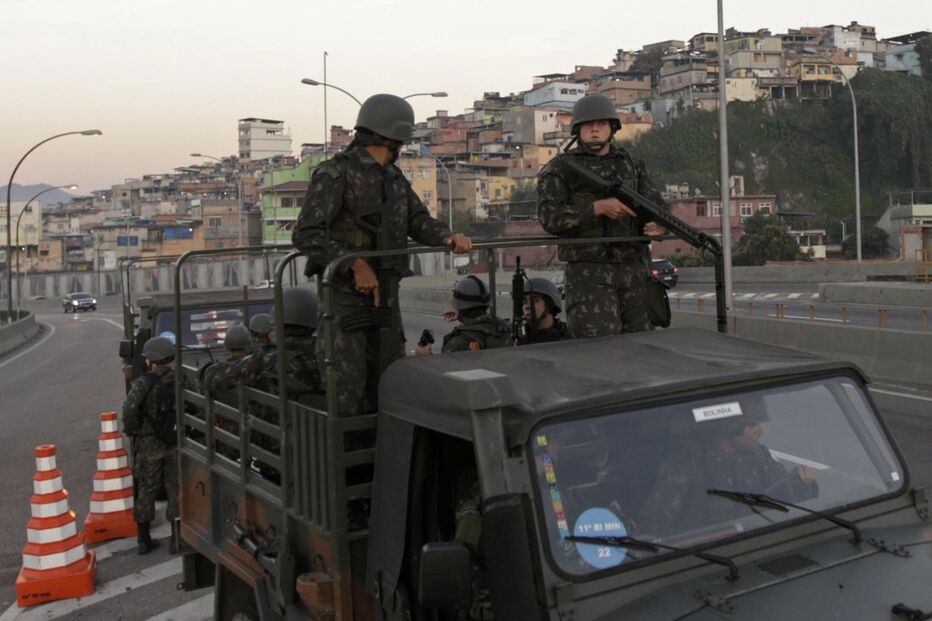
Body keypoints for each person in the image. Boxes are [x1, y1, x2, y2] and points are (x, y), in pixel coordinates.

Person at [292, 93, 472, 415]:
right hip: (345, 301)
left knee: (390, 383)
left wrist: (447, 238)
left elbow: (417, 220)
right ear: (393, 136)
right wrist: (354, 263)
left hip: (388, 294)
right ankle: (347, 461)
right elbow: (306, 232)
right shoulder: (335, 174)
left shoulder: (393, 178)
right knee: (347, 390)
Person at [537, 93, 668, 339]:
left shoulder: (631, 164)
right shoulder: (560, 169)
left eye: (601, 124)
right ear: (578, 130)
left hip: (634, 270)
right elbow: (549, 217)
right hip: (589, 273)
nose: (595, 130)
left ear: (612, 128)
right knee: (598, 350)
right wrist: (597, 208)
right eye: (588, 125)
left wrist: (660, 224)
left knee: (644, 349)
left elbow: (656, 203)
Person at [638, 409, 819, 538]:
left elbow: (782, 495)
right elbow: (658, 520)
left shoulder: (759, 455)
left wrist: (802, 482)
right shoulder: (688, 462)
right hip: (706, 550)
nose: (760, 431)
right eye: (752, 425)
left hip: (755, 538)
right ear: (731, 427)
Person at [121, 336, 180, 555]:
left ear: (151, 360)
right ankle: (177, 539)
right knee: (176, 490)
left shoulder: (144, 382)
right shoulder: (181, 378)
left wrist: (134, 430)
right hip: (175, 443)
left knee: (146, 488)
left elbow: (129, 410)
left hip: (149, 444)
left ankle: (144, 539)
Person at [415, 275, 511, 355]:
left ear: (459, 305)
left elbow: (444, 373)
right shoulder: (505, 328)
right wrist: (463, 316)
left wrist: (425, 357)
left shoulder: (457, 343)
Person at [516, 277, 569, 345]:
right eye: (524, 302)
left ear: (550, 304)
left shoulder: (567, 337)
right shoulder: (519, 338)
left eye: (535, 301)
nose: (527, 306)